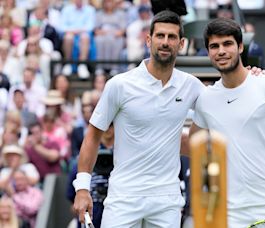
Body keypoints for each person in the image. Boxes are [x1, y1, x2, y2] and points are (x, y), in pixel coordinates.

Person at [72, 10, 205, 227]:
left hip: (167, 200)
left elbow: (226, 99)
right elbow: (93, 136)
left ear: (181, 44)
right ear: (148, 40)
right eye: (160, 36)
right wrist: (83, 187)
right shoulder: (120, 85)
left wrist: (251, 74)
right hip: (124, 198)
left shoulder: (192, 86)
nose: (165, 42)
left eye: (172, 37)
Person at [190, 17, 265, 228]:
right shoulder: (205, 99)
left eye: (227, 44)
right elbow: (193, 145)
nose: (221, 51)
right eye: (214, 46)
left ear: (240, 46)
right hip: (228, 214)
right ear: (208, 52)